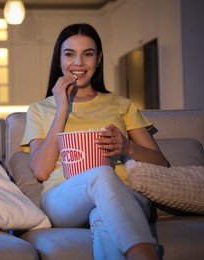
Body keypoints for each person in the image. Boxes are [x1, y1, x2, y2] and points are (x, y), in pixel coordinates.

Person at [20, 23, 169, 260]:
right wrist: (62, 109)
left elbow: (161, 163)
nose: (78, 62)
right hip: (64, 198)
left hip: (125, 196)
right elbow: (40, 170)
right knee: (101, 173)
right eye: (69, 54)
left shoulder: (121, 105)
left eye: (87, 54)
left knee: (104, 216)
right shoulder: (40, 109)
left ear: (98, 59)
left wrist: (127, 146)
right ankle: (146, 254)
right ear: (59, 60)